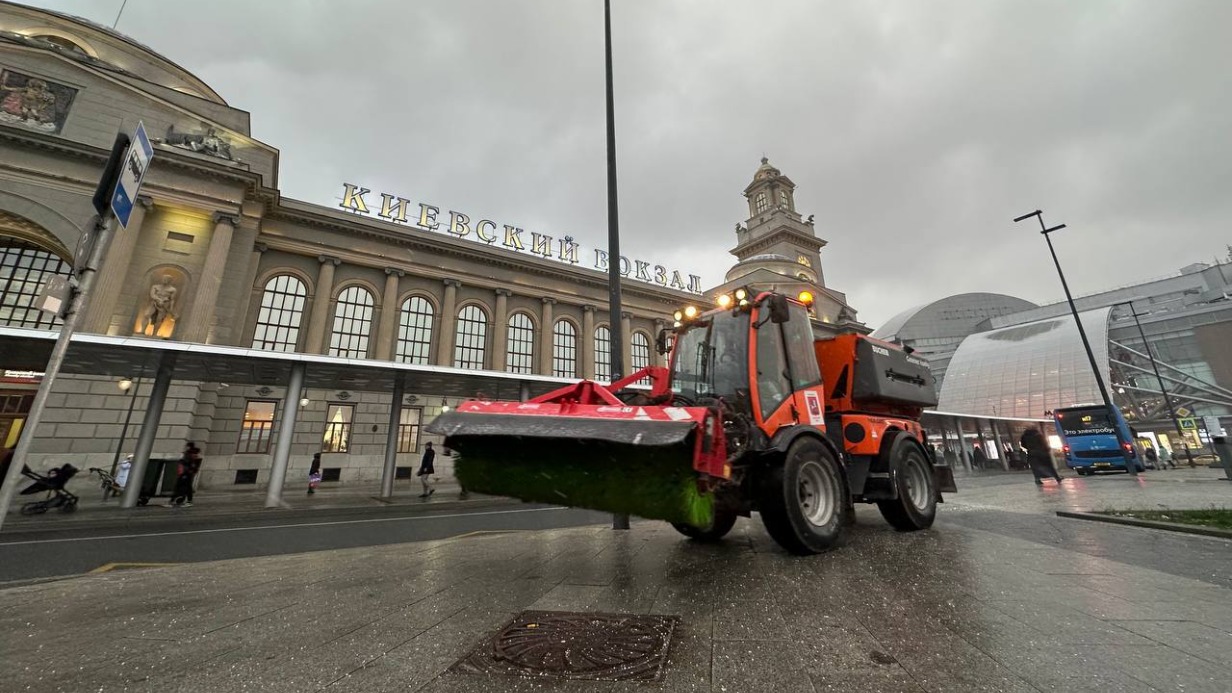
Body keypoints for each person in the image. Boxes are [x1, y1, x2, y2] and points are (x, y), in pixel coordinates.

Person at [172, 441, 202, 506]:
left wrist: (187, 470)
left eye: (187, 446)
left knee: (183, 486)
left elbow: (187, 463)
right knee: (186, 486)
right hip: (187, 472)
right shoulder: (192, 454)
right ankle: (184, 499)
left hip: (186, 472)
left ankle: (179, 498)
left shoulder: (190, 454)